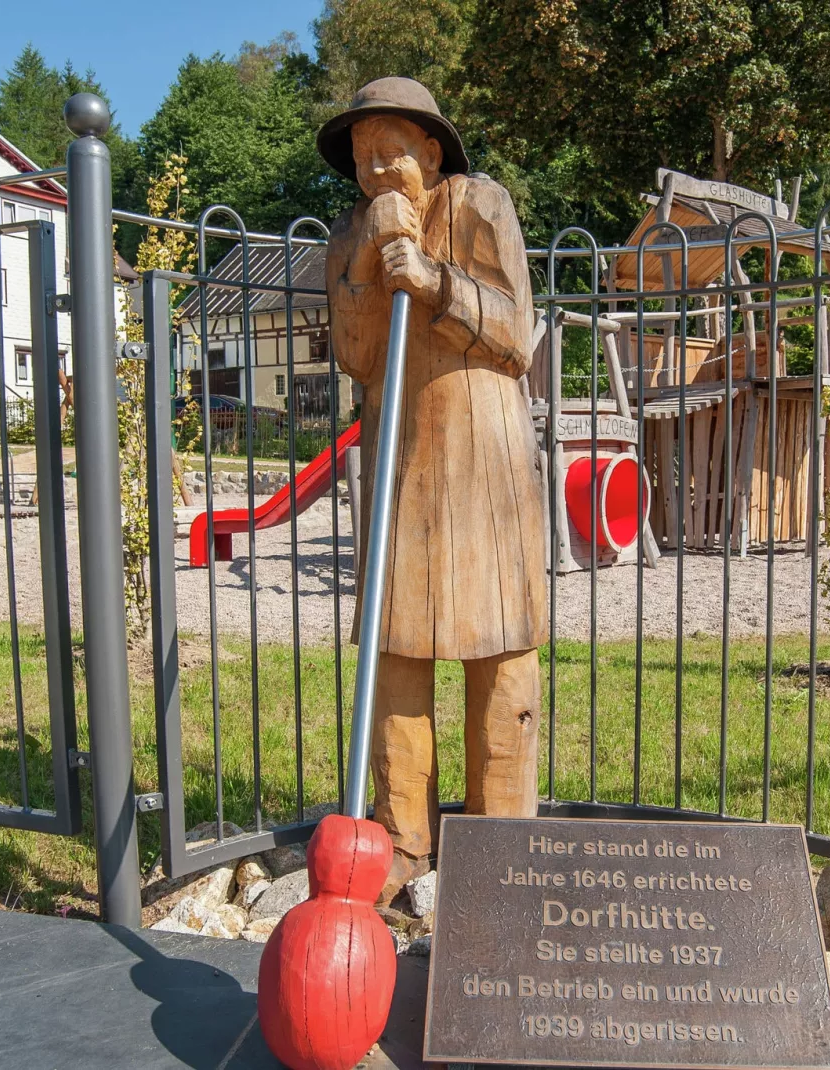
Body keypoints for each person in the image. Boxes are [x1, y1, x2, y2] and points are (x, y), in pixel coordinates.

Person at [319, 77, 548, 905]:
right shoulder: (350, 234)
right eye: (362, 157)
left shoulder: (482, 203)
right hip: (403, 457)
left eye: (392, 152)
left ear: (431, 150)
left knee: (501, 649)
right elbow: (354, 350)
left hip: (486, 461)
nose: (377, 170)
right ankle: (403, 840)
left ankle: (500, 844)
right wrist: (372, 271)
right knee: (398, 647)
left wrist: (436, 279)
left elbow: (517, 331)